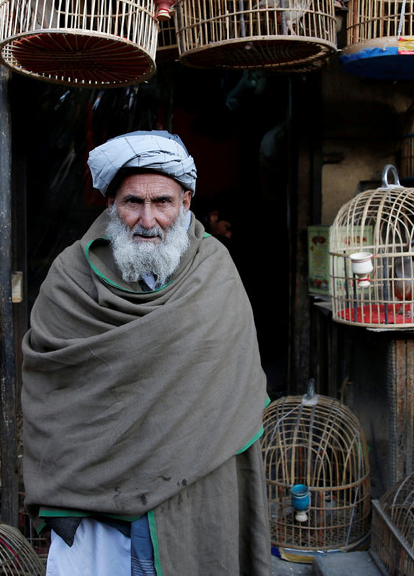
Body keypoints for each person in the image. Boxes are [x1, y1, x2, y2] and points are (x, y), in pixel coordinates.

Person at [21, 130, 271, 575]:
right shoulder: (70, 276)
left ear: (187, 203)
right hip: (100, 500)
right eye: (133, 202)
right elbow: (50, 390)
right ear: (111, 204)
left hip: (193, 490)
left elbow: (231, 389)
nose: (148, 220)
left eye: (163, 203)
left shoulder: (215, 270)